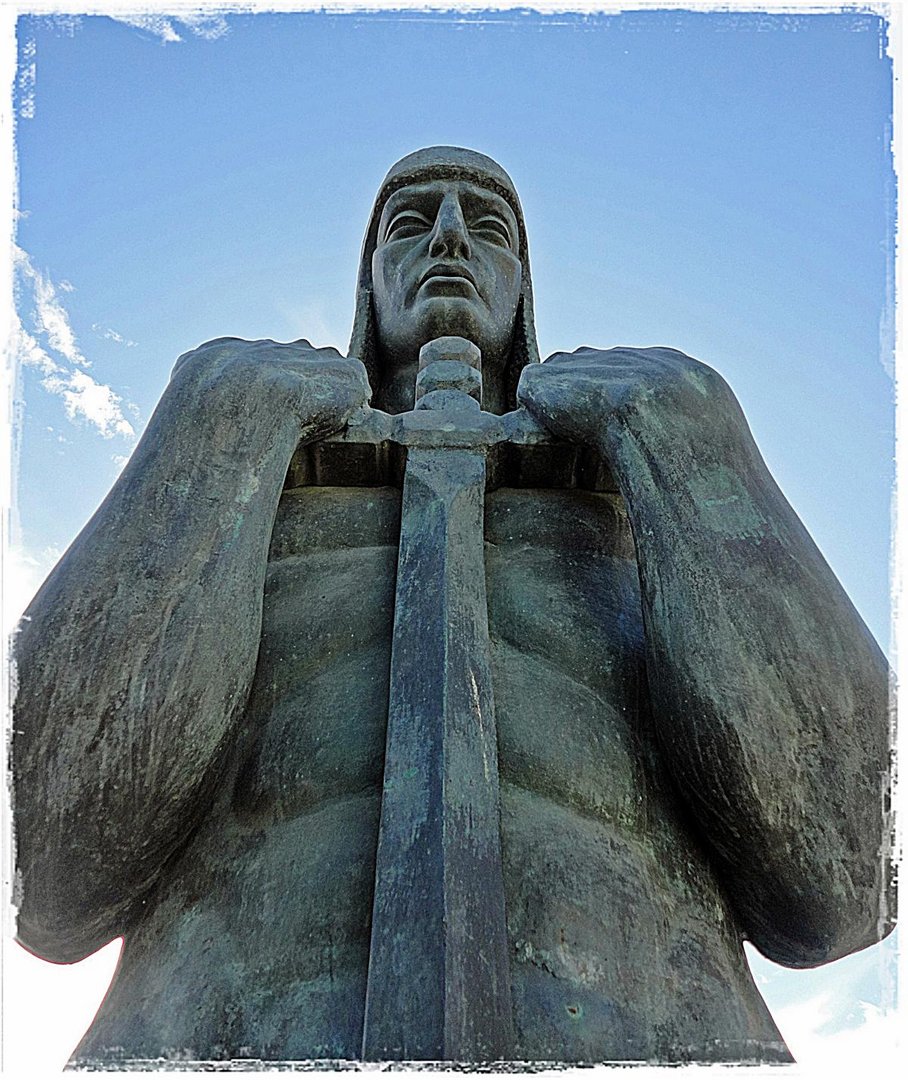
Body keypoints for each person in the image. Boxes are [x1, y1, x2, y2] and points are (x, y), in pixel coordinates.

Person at [13, 146, 892, 1065]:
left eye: (487, 226)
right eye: (409, 222)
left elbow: (846, 880)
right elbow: (49, 879)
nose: (446, 239)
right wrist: (214, 436)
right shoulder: (250, 481)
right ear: (369, 284)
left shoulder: (641, 506)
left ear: (522, 285)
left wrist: (688, 438)